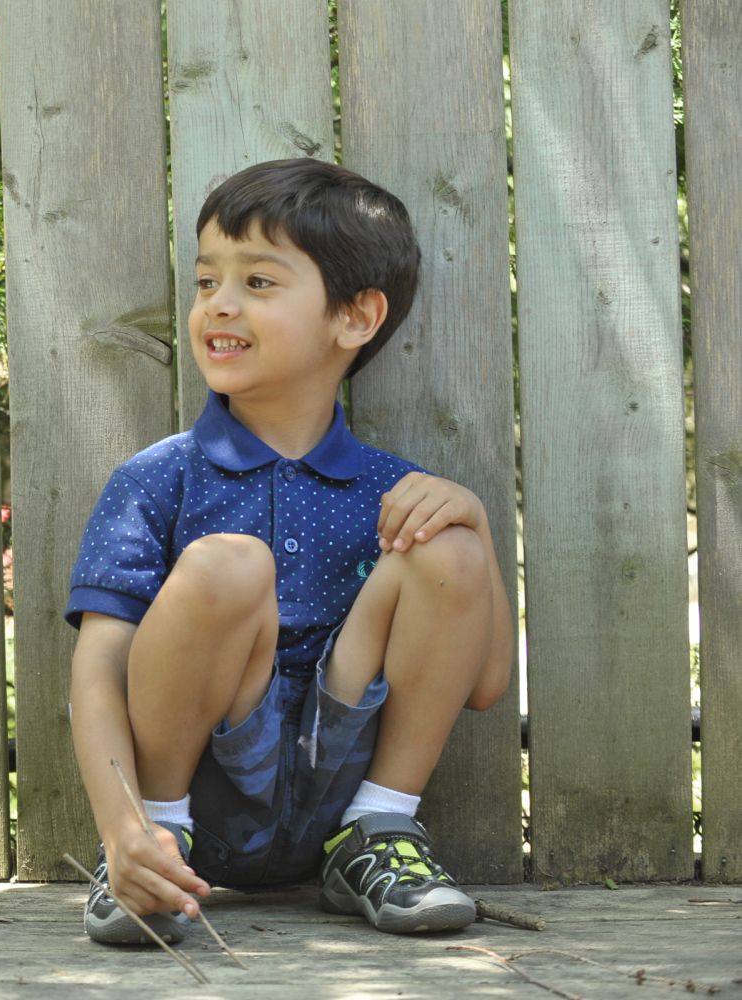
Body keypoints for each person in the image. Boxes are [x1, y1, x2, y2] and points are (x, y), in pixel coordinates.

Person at [66, 158, 512, 942]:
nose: (220, 305)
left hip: (346, 795)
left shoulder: (396, 491)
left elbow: (484, 685)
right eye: (207, 282)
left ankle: (381, 834)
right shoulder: (156, 478)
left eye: (258, 283)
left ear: (354, 318)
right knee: (225, 564)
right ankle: (155, 853)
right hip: (188, 795)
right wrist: (125, 825)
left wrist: (471, 520)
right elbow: (100, 670)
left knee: (448, 539)